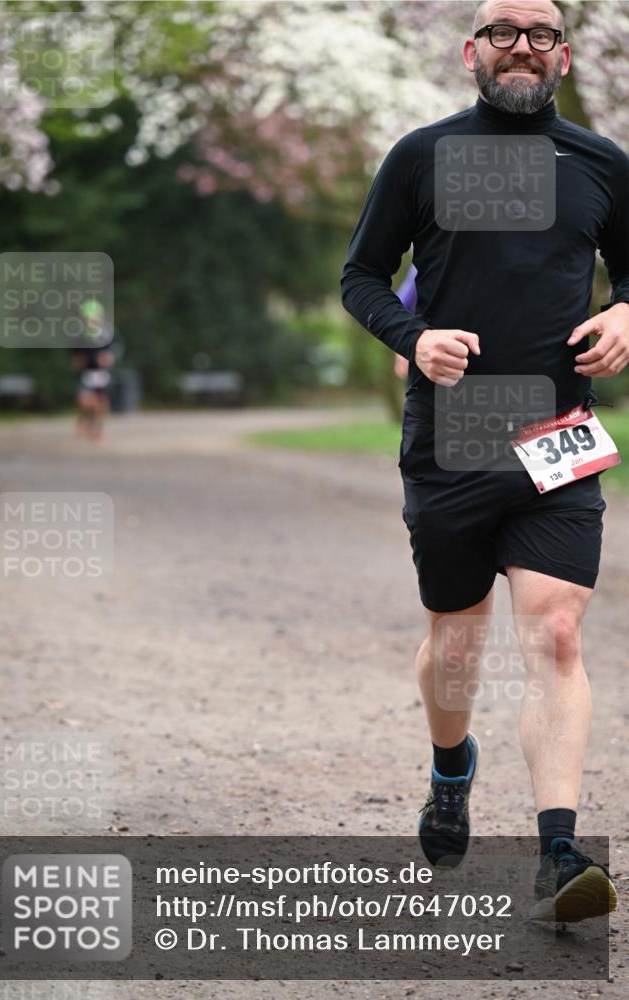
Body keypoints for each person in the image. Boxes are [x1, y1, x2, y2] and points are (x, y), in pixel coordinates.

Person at [341, 0, 628, 922]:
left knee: (553, 631)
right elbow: (361, 276)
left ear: (564, 58)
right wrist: (413, 338)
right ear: (471, 51)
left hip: (558, 432)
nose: (521, 47)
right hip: (455, 433)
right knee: (456, 642)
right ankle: (450, 767)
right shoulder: (422, 156)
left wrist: (626, 310)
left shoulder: (600, 164)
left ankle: (557, 852)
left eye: (539, 35)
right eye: (501, 31)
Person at [70, 299, 123, 442]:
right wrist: (77, 360)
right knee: (85, 402)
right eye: (88, 318)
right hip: (86, 372)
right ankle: (85, 418)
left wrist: (110, 357)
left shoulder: (109, 332)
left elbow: (117, 349)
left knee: (101, 403)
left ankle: (98, 429)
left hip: (102, 372)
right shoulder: (79, 334)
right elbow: (74, 353)